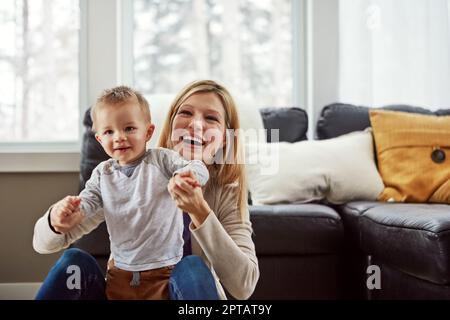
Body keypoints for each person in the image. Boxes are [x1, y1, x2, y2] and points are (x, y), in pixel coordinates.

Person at [33, 80, 259, 300]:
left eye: (211, 118)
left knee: (191, 266)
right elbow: (44, 244)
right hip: (124, 289)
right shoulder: (126, 173)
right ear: (171, 124)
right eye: (186, 113)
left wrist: (200, 212)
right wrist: (56, 221)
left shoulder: (227, 191)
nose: (196, 125)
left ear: (224, 140)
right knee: (74, 262)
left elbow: (244, 287)